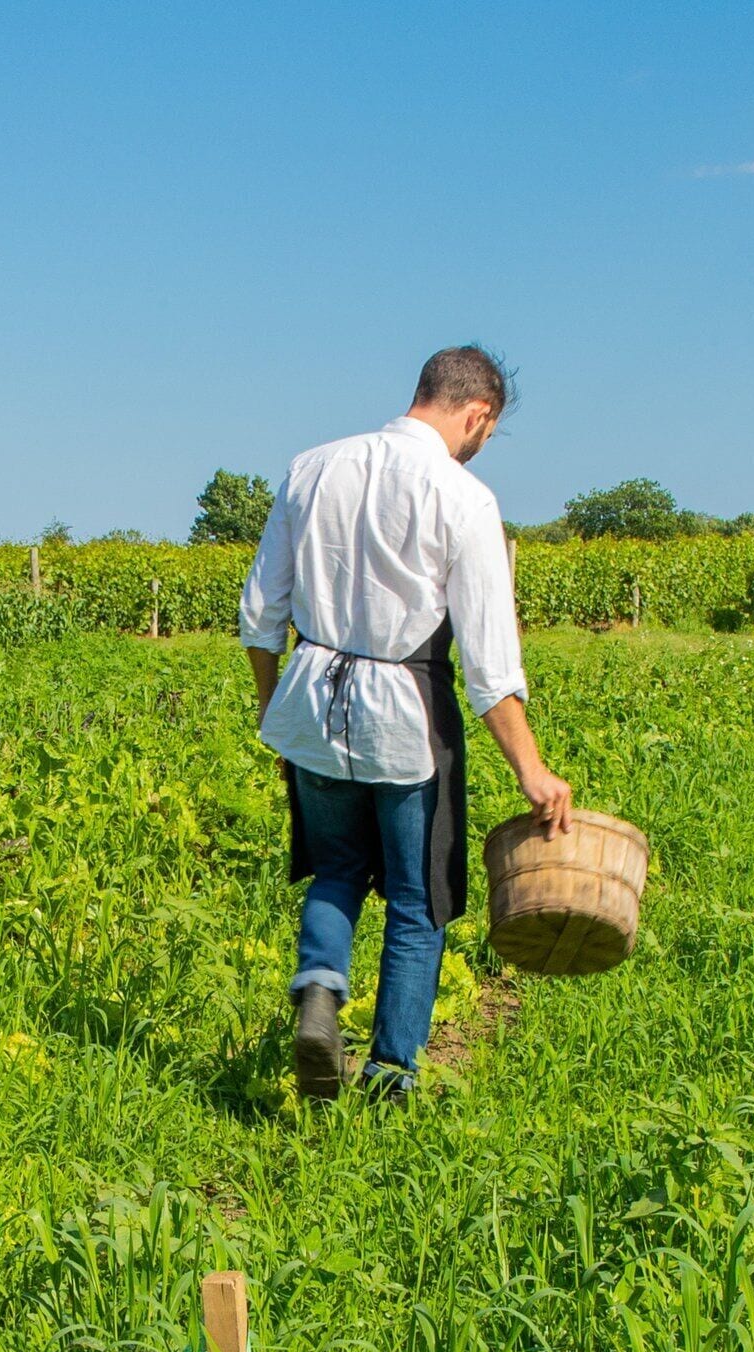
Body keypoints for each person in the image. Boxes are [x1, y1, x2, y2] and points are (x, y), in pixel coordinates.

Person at [237, 345, 575, 1105]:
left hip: (312, 701)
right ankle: (390, 1077)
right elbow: (490, 665)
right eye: (485, 432)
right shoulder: (462, 497)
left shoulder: (311, 467)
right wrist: (532, 769)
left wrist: (277, 715)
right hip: (406, 716)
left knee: (337, 869)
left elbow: (261, 619)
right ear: (477, 414)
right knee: (419, 901)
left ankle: (320, 990)